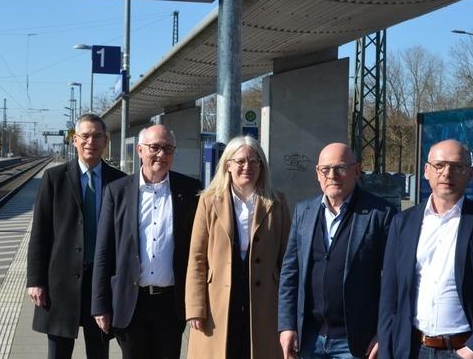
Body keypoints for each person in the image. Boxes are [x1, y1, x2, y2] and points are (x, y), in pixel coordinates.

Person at [378, 139, 473, 359]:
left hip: (466, 350)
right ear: (426, 171)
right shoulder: (402, 223)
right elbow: (390, 294)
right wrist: (387, 350)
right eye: (439, 165)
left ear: (470, 173)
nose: (447, 173)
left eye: (457, 166)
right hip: (412, 349)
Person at [91, 124, 201, 359]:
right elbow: (104, 252)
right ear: (140, 150)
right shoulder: (116, 191)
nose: (161, 154)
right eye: (154, 147)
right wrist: (100, 304)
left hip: (172, 305)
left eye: (168, 149)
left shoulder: (191, 191)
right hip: (131, 304)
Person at [278, 143, 397, 359]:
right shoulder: (303, 211)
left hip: (357, 342)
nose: (332, 175)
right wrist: (287, 326)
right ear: (317, 173)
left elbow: (394, 280)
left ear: (357, 170)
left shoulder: (381, 214)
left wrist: (383, 331)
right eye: (326, 169)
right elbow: (290, 274)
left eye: (340, 168)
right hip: (310, 339)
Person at [27, 113, 126, 359]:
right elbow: (40, 231)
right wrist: (35, 280)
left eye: (97, 136)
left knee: (99, 351)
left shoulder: (120, 181)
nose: (90, 141)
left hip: (101, 282)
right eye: (85, 136)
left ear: (106, 141)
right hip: (60, 283)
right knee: (58, 352)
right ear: (74, 140)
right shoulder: (54, 178)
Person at [185, 136, 291, 359]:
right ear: (228, 165)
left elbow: (288, 260)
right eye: (241, 161)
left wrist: (288, 314)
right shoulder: (208, 201)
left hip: (264, 302)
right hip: (217, 303)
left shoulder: (278, 203)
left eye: (254, 161)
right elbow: (196, 257)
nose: (247, 167)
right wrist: (195, 307)